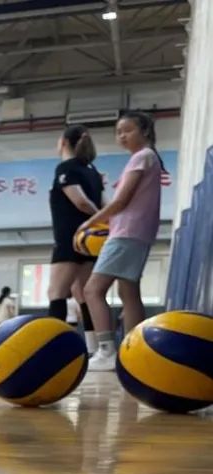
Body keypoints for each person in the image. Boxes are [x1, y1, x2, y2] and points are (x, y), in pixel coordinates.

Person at [78, 111, 165, 371]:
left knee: (92, 290)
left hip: (127, 233)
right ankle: (133, 351)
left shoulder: (142, 157)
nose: (122, 136)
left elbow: (121, 201)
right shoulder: (148, 157)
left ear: (145, 131)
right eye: (118, 132)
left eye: (128, 130)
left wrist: (89, 222)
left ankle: (106, 351)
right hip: (138, 233)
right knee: (129, 293)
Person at [47, 124, 103, 354]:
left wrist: (97, 219)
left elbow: (80, 201)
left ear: (63, 142)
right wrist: (102, 222)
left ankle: (55, 351)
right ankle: (95, 349)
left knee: (56, 293)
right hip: (89, 243)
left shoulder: (66, 168)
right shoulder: (92, 171)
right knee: (83, 294)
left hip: (71, 238)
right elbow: (105, 203)